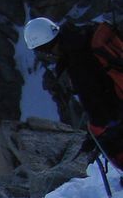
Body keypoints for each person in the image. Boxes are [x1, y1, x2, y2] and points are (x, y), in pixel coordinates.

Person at [25, 16, 123, 169]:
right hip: (118, 92)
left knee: (111, 141)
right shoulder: (83, 35)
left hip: (116, 106)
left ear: (44, 47)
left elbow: (94, 99)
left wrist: (96, 133)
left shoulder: (77, 60)